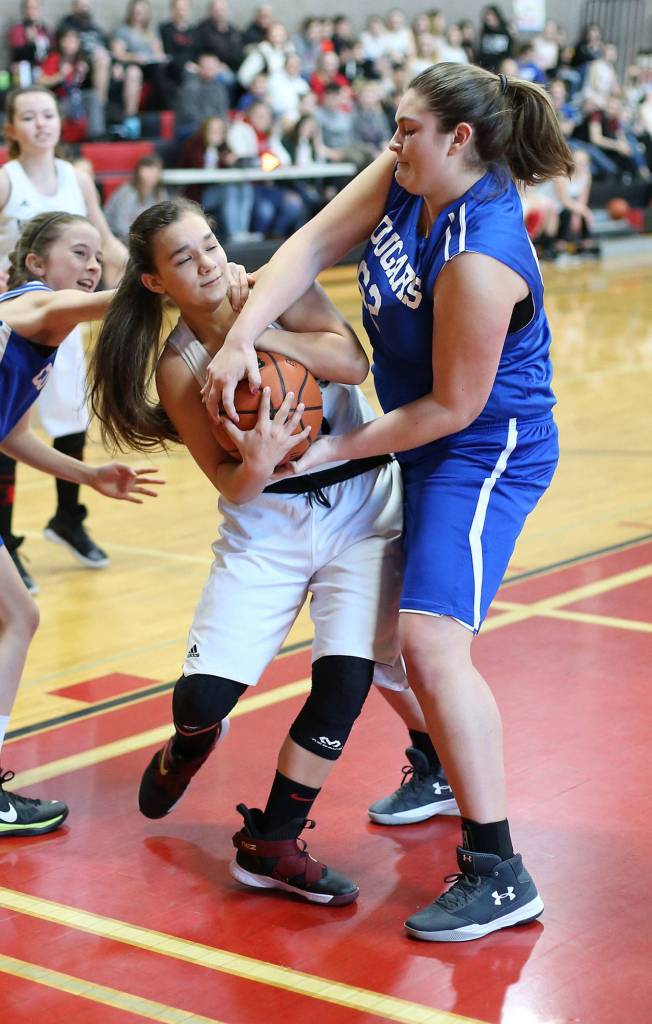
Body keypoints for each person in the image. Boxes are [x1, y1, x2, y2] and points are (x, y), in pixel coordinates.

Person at [201, 62, 573, 942]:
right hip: (416, 427)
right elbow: (312, 244)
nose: (392, 139)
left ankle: (498, 868)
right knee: (375, 630)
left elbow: (453, 408)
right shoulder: (407, 172)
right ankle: (438, 767)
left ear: (461, 139)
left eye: (408, 128)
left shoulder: (482, 258)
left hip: (483, 451)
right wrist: (240, 339)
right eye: (395, 125)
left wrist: (326, 450)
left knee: (431, 642)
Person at [87, 197, 405, 906]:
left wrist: (260, 339)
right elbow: (230, 485)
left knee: (345, 682)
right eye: (183, 259)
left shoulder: (274, 283)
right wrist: (258, 458)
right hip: (267, 519)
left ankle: (274, 841)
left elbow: (352, 365)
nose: (206, 265)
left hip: (359, 506)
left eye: (208, 245)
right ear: (155, 283)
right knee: (200, 699)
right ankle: (187, 748)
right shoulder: (178, 368)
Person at [0, 210, 162, 836]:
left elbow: (11, 432)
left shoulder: (45, 335)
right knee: (16, 617)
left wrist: (87, 475)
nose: (92, 265)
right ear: (36, 263)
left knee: (18, 616)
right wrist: (180, 276)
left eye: (98, 256)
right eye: (79, 252)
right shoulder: (35, 307)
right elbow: (80, 306)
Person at [0, 85, 128, 594]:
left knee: (68, 416)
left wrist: (135, 262)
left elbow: (104, 239)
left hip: (61, 319)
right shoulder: (7, 180)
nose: (40, 123)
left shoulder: (77, 178)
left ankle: (67, 517)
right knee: (9, 426)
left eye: (48, 114)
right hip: (21, 317)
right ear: (12, 129)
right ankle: (6, 538)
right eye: (27, 116)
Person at [104, 154, 168, 241]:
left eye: (157, 170)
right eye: (150, 169)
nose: (154, 173)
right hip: (117, 236)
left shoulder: (160, 193)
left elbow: (163, 221)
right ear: (140, 171)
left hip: (142, 237)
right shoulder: (127, 192)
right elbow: (120, 225)